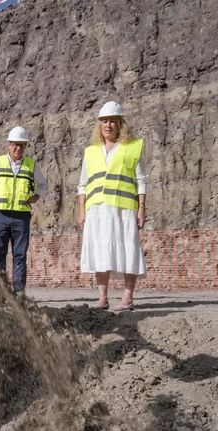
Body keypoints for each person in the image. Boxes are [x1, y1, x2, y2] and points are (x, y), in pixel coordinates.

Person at [76, 101, 147, 310]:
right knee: (100, 251)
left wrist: (142, 207)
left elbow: (141, 180)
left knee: (128, 249)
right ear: (99, 125)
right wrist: (82, 210)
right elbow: (83, 184)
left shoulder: (132, 148)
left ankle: (127, 297)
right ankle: (103, 297)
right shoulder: (90, 151)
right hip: (97, 209)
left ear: (120, 124)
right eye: (104, 121)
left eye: (113, 121)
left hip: (124, 209)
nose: (108, 125)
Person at [0, 126, 47, 297]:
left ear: (25, 146)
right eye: (15, 144)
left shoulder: (31, 165)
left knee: (20, 254)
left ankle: (19, 292)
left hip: (22, 216)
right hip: (0, 215)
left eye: (21, 145)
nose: (18, 148)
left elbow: (43, 184)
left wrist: (37, 195)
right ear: (9, 145)